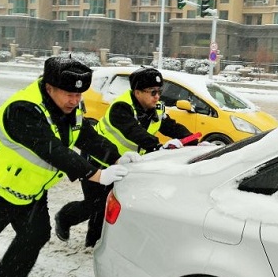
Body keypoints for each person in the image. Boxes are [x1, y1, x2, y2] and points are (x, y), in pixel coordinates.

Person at [0, 56, 131, 277]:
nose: (75, 100)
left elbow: (84, 134)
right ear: (49, 88)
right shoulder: (24, 109)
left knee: (36, 233)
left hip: (28, 186)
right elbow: (53, 150)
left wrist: (115, 156)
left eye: (80, 94)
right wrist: (95, 174)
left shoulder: (70, 108)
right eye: (69, 93)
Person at [54, 66, 204, 247]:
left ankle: (98, 242)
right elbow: (136, 132)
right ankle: (69, 220)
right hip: (99, 159)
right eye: (152, 92)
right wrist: (158, 147)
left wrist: (194, 142)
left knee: (117, 202)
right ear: (138, 92)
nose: (157, 96)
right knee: (97, 204)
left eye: (159, 91)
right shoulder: (121, 108)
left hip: (126, 164)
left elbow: (172, 127)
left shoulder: (156, 107)